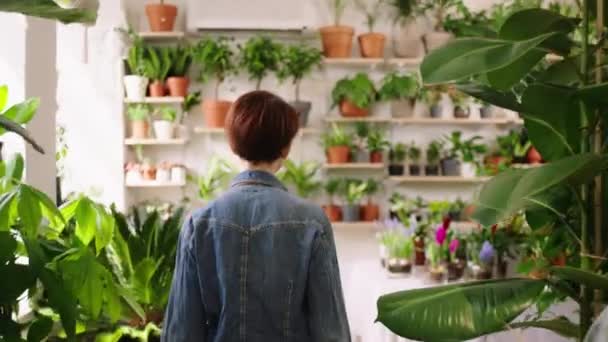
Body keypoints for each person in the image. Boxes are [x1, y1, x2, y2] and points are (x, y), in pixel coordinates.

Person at [162, 90, 351, 342]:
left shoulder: (199, 224)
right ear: (285, 148)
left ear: (233, 145)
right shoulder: (312, 222)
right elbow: (330, 330)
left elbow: (181, 332)